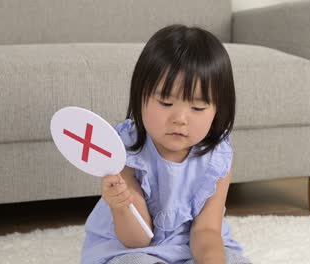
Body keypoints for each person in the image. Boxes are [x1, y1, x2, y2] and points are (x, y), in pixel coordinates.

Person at [81, 24, 252, 264]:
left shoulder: (217, 157)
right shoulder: (125, 150)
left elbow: (206, 230)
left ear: (217, 110)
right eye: (165, 102)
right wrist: (120, 206)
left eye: (198, 107)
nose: (179, 119)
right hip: (133, 245)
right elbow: (137, 239)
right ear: (140, 96)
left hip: (193, 245)